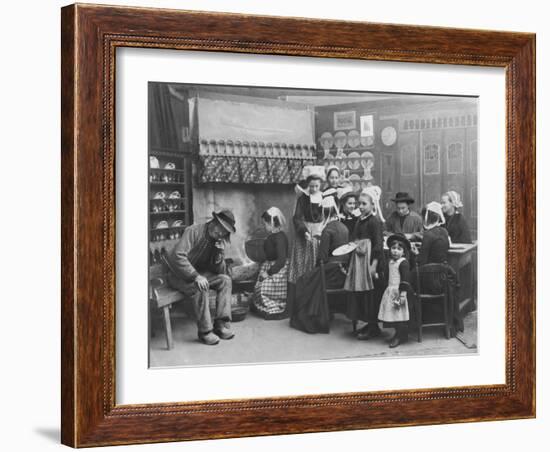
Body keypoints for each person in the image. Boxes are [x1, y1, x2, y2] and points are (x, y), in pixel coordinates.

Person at [165, 210, 236, 345]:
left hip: (199, 276)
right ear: (214, 222)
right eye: (220, 227)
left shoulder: (216, 241)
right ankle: (205, 332)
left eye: (225, 231)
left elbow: (218, 271)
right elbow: (178, 256)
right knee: (201, 285)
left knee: (225, 280)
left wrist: (219, 255)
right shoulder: (193, 231)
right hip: (177, 276)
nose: (221, 233)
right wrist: (196, 276)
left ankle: (220, 325)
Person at [291, 197, 349, 334]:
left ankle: (313, 315)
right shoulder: (344, 227)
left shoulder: (327, 230)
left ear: (324, 213)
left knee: (303, 280)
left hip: (331, 273)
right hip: (344, 271)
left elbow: (321, 258)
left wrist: (315, 269)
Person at [345, 185, 386, 341]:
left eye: (364, 204)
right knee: (363, 296)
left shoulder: (374, 222)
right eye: (359, 203)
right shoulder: (359, 221)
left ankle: (374, 327)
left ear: (372, 205)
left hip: (370, 264)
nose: (360, 207)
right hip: (359, 262)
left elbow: (378, 245)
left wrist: (374, 265)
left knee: (372, 296)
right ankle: (369, 324)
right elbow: (355, 239)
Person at [288, 167, 326, 285]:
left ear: (320, 185)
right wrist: (303, 231)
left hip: (320, 231)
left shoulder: (324, 197)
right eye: (311, 186)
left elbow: (329, 216)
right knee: (302, 265)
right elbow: (297, 217)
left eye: (316, 186)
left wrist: (322, 231)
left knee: (317, 264)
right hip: (305, 233)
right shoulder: (303, 198)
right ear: (308, 185)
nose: (314, 189)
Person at [251, 208, 290, 320]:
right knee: (257, 286)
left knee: (262, 288)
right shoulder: (272, 235)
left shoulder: (280, 237)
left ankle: (275, 309)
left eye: (265, 223)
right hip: (270, 265)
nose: (264, 226)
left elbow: (281, 260)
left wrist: (268, 273)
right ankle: (263, 307)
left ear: (272, 223)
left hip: (279, 270)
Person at [378, 234, 414, 348]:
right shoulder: (391, 261)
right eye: (393, 248)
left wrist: (402, 295)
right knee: (393, 313)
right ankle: (398, 333)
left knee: (399, 314)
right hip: (391, 290)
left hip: (400, 292)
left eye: (399, 249)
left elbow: (405, 279)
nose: (395, 251)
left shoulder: (403, 263)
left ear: (403, 252)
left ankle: (400, 335)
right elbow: (388, 276)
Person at [417, 202, 450, 266]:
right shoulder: (444, 231)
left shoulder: (428, 234)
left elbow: (422, 261)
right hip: (442, 269)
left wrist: (417, 253)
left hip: (430, 270)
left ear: (426, 218)